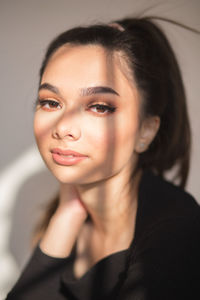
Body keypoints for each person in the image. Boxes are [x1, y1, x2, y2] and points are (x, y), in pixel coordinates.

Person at [6, 16, 200, 300]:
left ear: (145, 130)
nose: (63, 128)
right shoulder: (63, 217)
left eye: (99, 107)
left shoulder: (175, 232)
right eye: (51, 102)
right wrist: (66, 214)